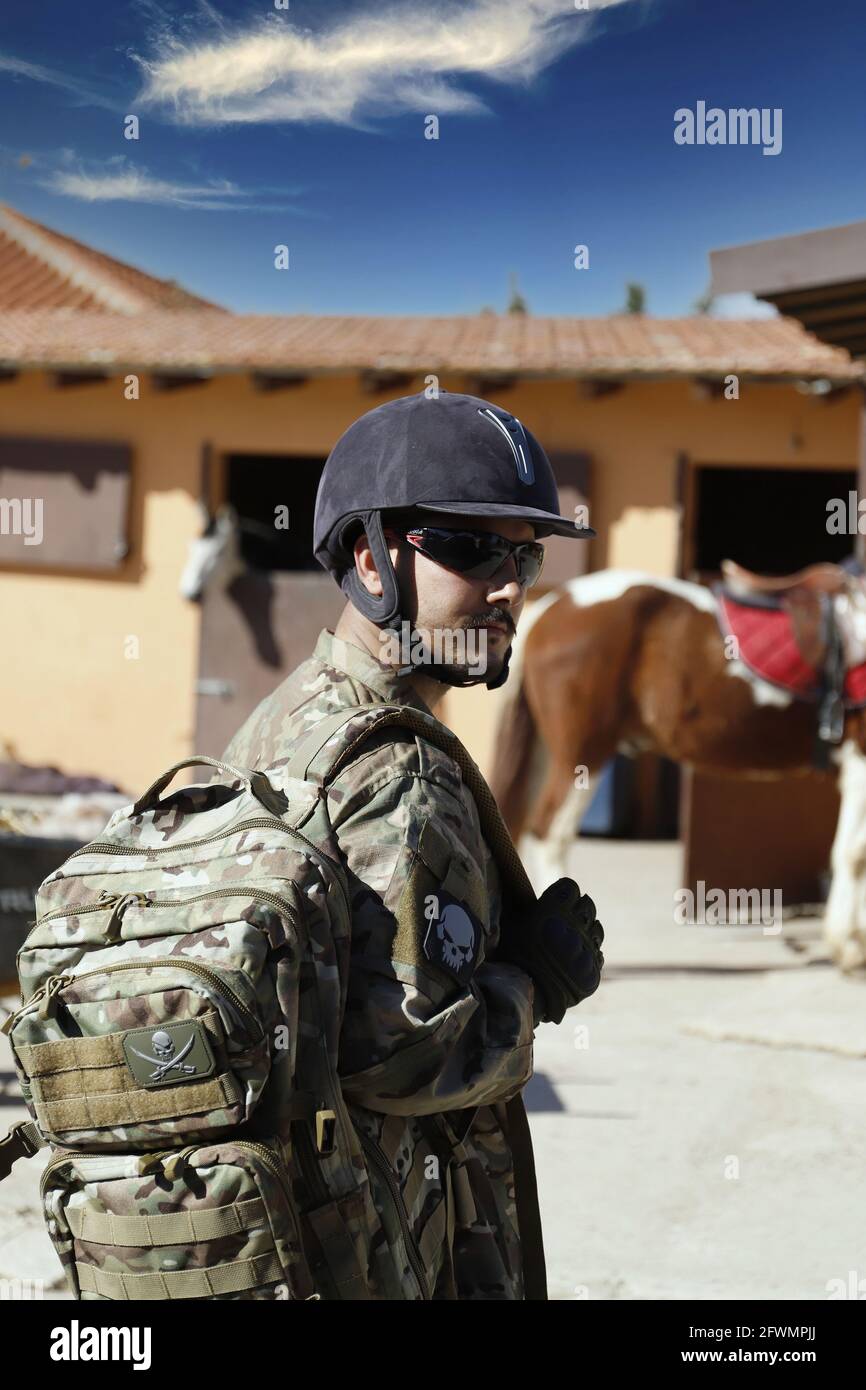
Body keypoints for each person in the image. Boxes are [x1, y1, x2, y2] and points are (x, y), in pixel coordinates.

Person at [222, 388, 604, 1300]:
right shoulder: (401, 770)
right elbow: (409, 1057)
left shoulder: (283, 720)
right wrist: (532, 985)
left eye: (526, 553)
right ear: (370, 556)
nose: (509, 584)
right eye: (473, 547)